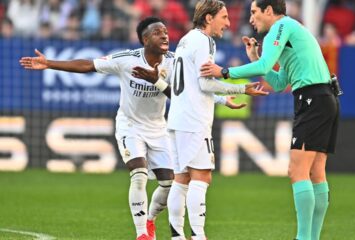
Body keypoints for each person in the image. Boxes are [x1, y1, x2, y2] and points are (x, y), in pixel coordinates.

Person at [19, 16, 246, 240]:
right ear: (144, 40)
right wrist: (49, 63)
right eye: (157, 32)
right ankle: (142, 234)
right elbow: (89, 65)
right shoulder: (126, 59)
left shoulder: (174, 62)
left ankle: (150, 219)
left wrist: (224, 100)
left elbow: (185, 95)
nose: (164, 35)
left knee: (169, 184)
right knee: (138, 175)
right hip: (130, 125)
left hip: (159, 128)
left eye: (165, 31)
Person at [200, 1, 340, 240]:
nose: (251, 19)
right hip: (324, 98)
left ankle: (304, 238)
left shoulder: (282, 25)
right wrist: (255, 55)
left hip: (313, 99)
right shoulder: (290, 34)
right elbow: (277, 83)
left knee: (297, 171)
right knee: (316, 172)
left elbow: (264, 66)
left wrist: (224, 72)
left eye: (254, 12)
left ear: (268, 10)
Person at [165, 1, 268, 239]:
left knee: (181, 179)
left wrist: (222, 100)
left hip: (178, 118)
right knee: (202, 177)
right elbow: (205, 82)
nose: (228, 23)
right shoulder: (204, 41)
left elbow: (192, 83)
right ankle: (198, 235)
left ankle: (177, 236)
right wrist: (241, 89)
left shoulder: (186, 39)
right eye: (224, 17)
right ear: (209, 18)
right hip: (194, 121)